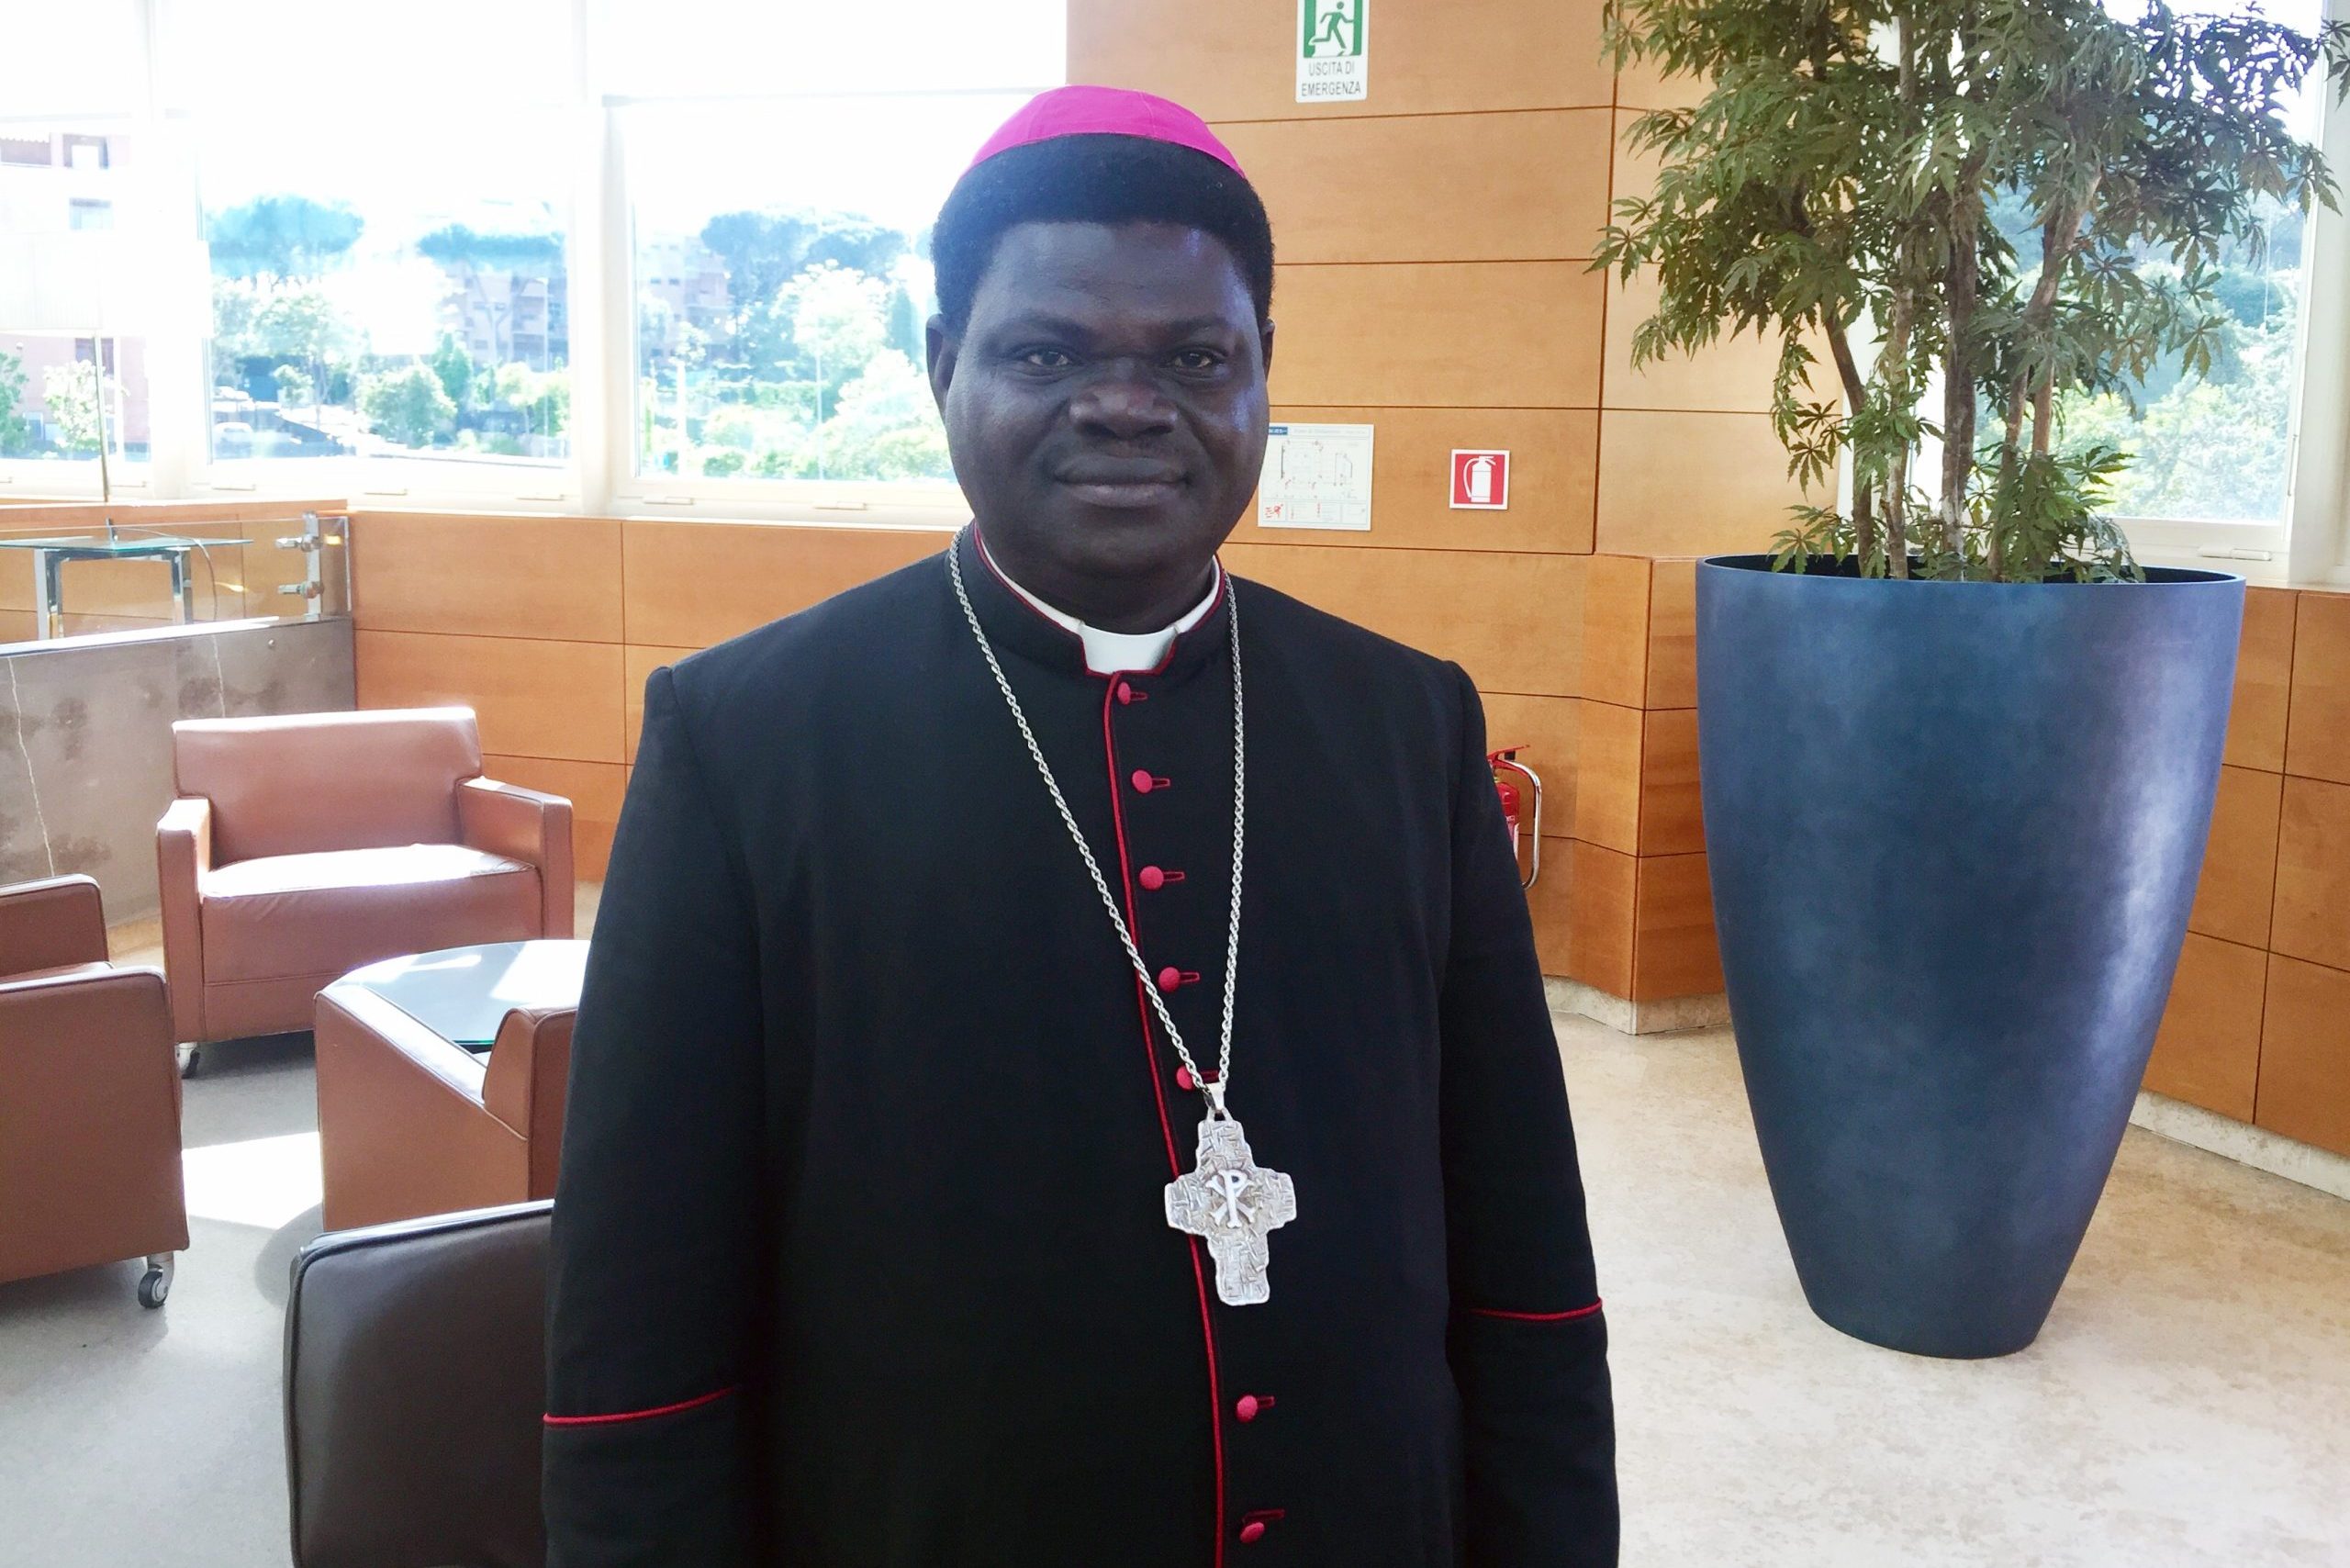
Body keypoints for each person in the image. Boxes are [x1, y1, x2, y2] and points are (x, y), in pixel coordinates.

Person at [543, 84, 1617, 1567]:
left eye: (1194, 356)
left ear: (1262, 376)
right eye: (1048, 352)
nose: (1127, 403)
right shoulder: (744, 739)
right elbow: (636, 1341)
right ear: (942, 367)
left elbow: (1526, 1256)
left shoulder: (1405, 722)